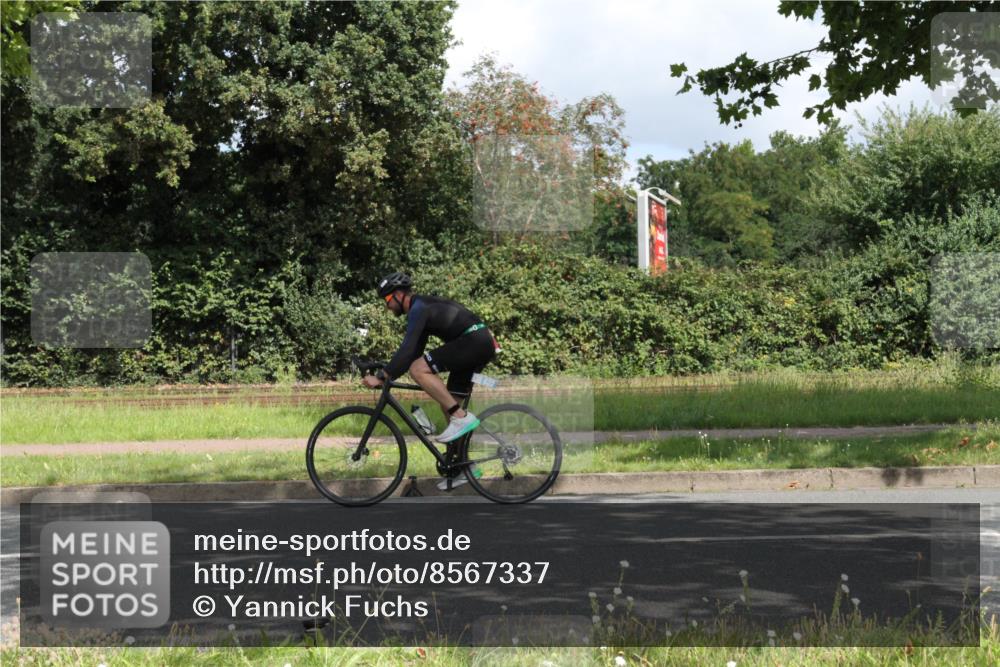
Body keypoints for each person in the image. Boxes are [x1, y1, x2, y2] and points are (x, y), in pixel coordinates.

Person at [363, 272, 499, 489]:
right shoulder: (422, 307)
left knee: (418, 370)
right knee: (448, 404)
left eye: (388, 300)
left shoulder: (419, 309)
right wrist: (388, 369)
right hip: (476, 342)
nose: (387, 306)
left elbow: (409, 353)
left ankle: (461, 417)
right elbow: (413, 349)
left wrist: (382, 377)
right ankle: (465, 467)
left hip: (473, 342)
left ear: (398, 295)